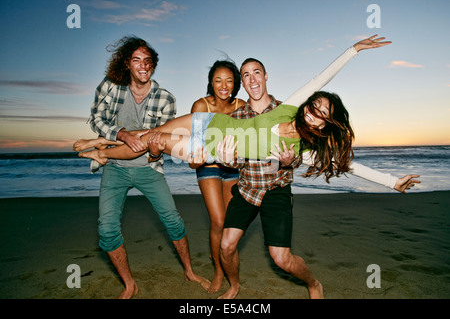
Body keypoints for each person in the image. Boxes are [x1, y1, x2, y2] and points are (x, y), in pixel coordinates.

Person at [75, 35, 420, 298]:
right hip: (210, 125)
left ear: (323, 126)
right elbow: (319, 78)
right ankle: (102, 146)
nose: (313, 113)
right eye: (314, 107)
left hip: (229, 159)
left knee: (158, 143)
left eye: (320, 115)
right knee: (153, 135)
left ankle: (103, 151)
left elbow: (348, 166)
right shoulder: (290, 107)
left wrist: (391, 181)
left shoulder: (303, 149)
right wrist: (352, 50)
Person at [74, 36, 210, 299]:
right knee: (107, 228)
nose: (143, 66)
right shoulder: (111, 87)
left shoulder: (166, 98)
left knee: (173, 221)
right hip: (115, 167)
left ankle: (189, 271)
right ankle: (129, 284)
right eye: (136, 60)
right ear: (127, 63)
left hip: (150, 169)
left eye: (148, 61)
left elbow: (159, 141)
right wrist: (122, 134)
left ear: (153, 66)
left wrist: (155, 151)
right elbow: (96, 118)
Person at [188, 59, 246, 293]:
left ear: (235, 84)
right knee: (218, 221)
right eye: (218, 80)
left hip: (233, 168)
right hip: (209, 166)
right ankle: (219, 272)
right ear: (211, 82)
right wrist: (201, 156)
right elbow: (194, 155)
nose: (223, 85)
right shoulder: (201, 106)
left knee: (230, 224)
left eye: (229, 80)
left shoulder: (242, 105)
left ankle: (228, 265)